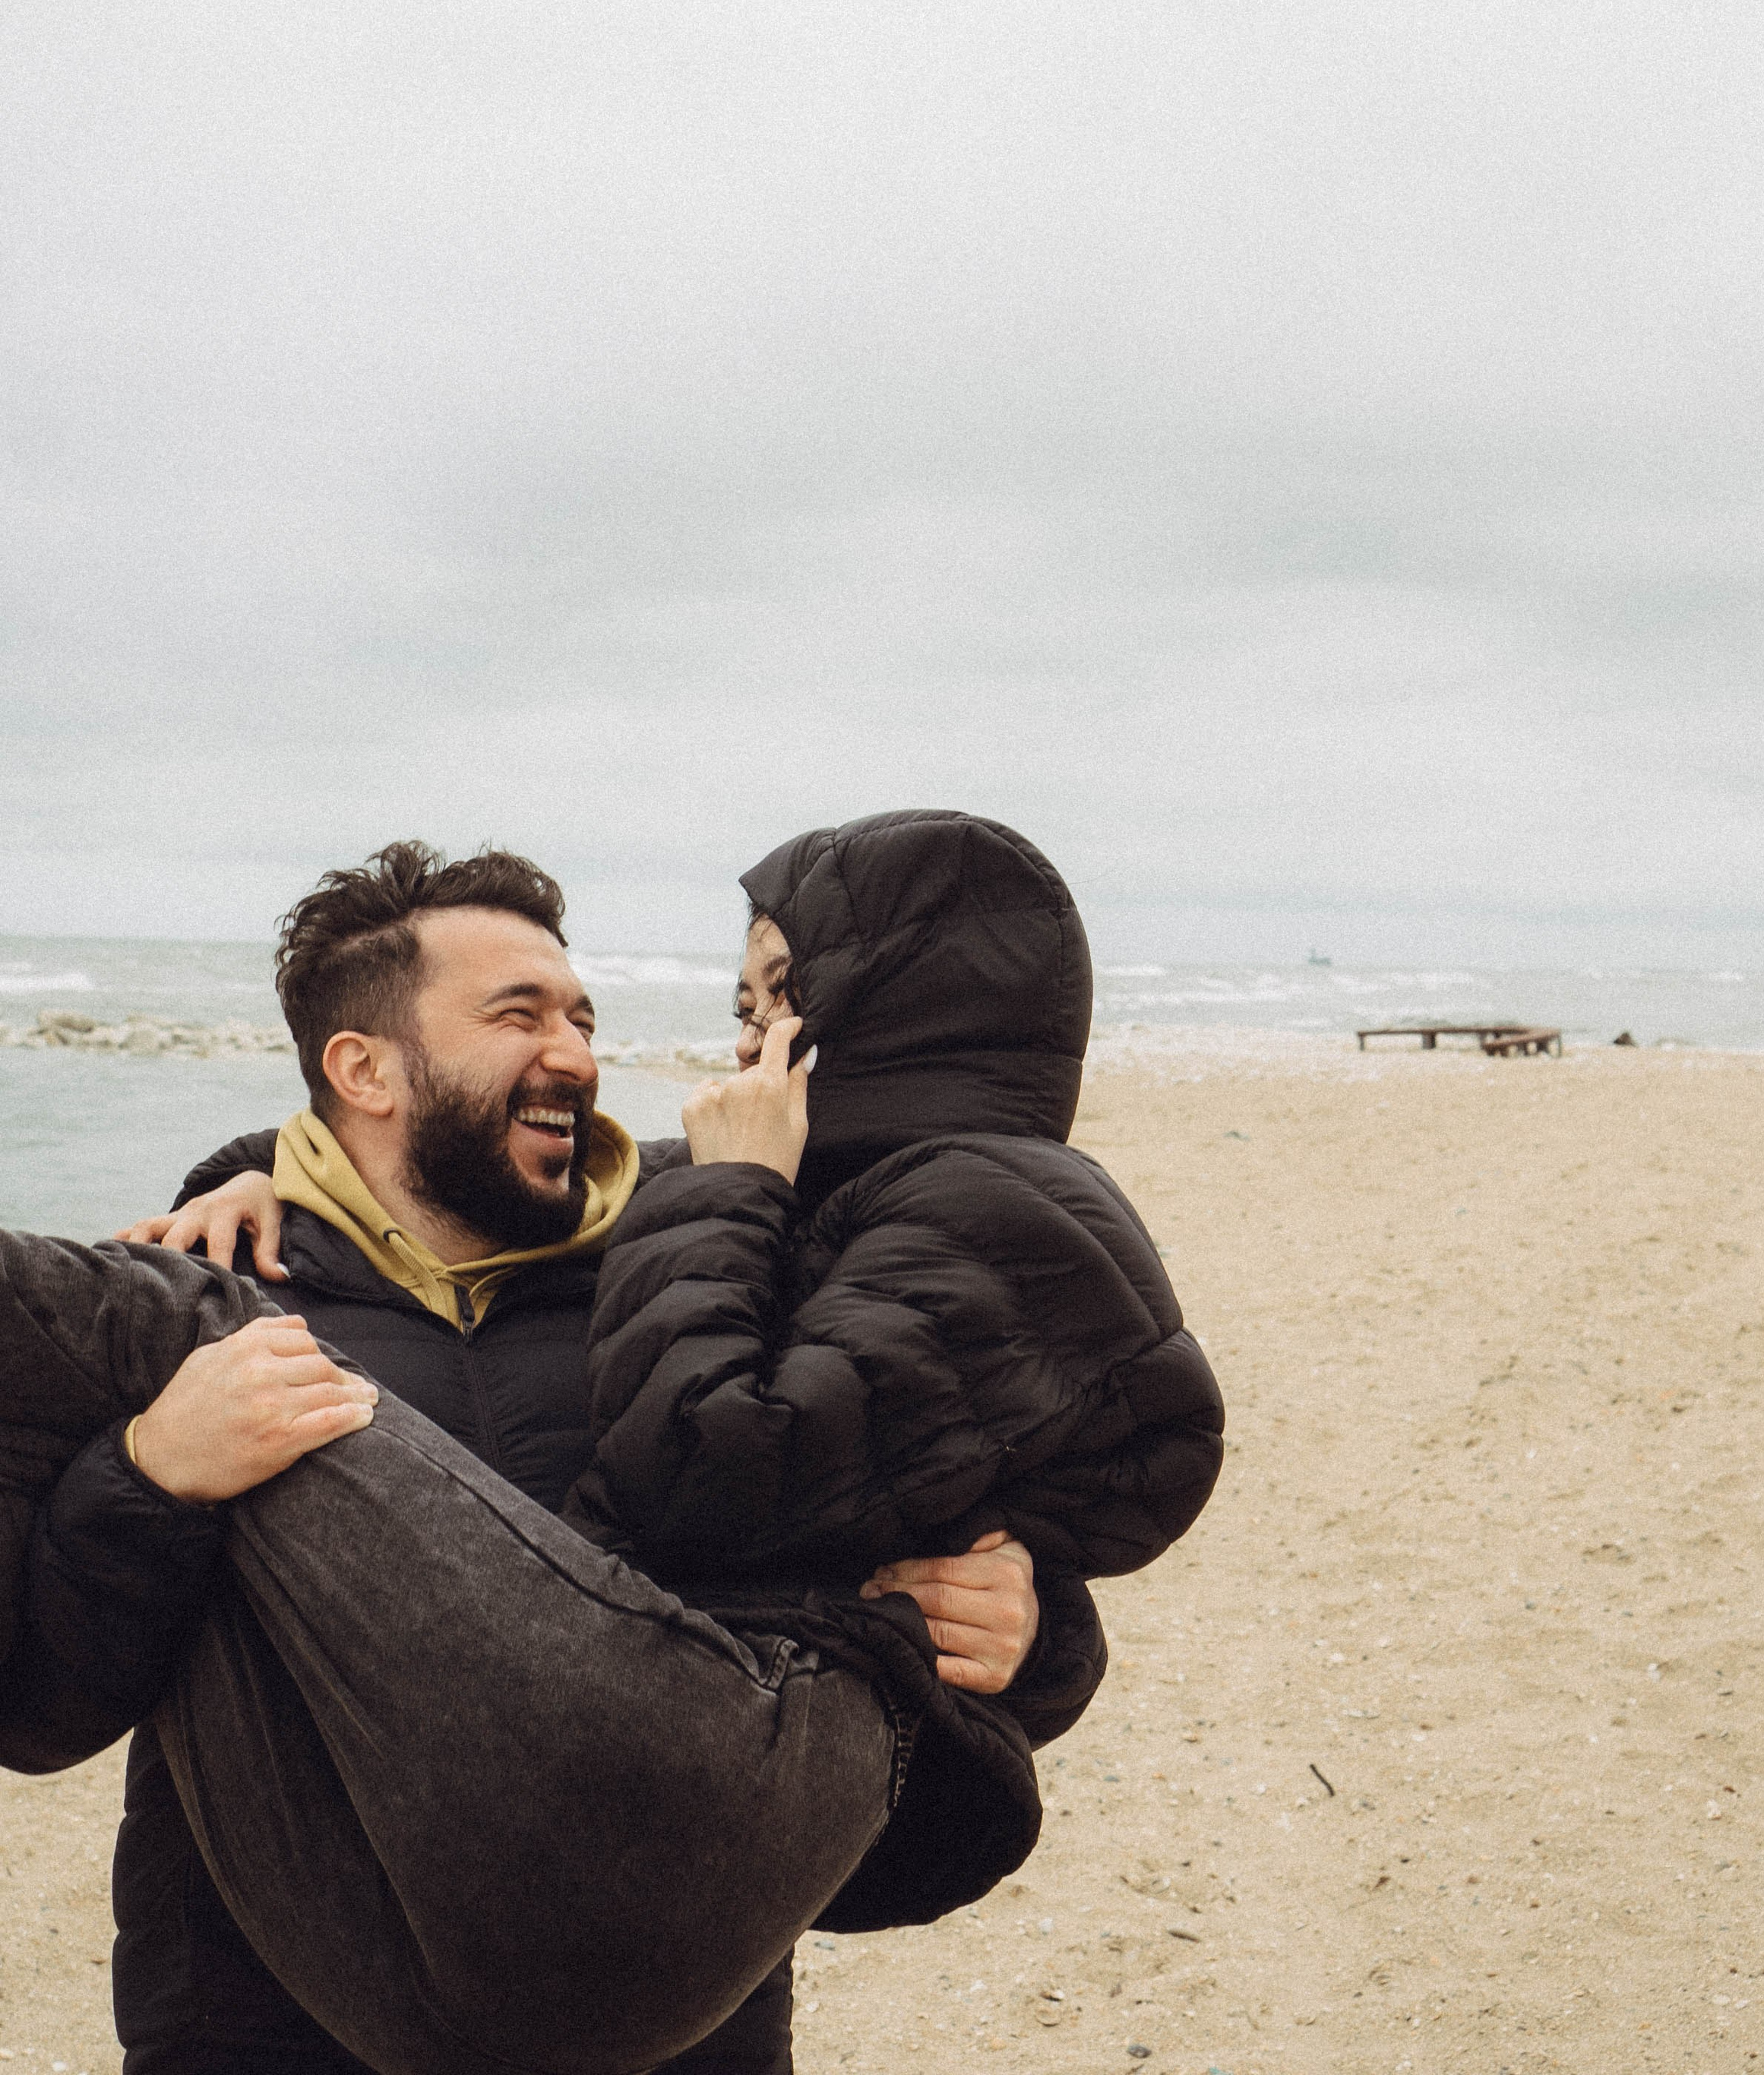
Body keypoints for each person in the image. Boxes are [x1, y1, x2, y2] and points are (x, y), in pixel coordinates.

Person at [0, 844, 1078, 2075]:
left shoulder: (706, 1298)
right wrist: (151, 1478)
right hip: (268, 2028)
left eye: (582, 1016)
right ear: (364, 1069)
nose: (575, 1053)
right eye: (518, 1015)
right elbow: (40, 1704)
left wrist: (1025, 1627)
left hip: (679, 2032)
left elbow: (963, 1533)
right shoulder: (189, 1308)